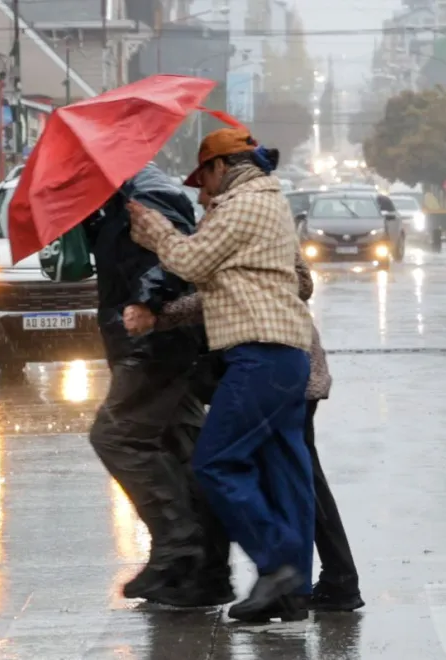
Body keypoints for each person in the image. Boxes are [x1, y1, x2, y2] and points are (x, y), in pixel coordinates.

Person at [127, 128, 316, 623]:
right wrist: (161, 315)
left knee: (216, 461)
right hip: (281, 353)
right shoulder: (264, 201)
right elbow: (221, 286)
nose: (201, 192)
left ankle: (277, 565)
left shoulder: (244, 204)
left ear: (220, 167)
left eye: (204, 178)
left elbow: (190, 260)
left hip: (261, 352)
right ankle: (292, 591)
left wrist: (153, 230)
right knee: (286, 471)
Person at [146, 244, 366, 612]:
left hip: (283, 367)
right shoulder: (235, 226)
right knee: (291, 476)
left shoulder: (249, 223)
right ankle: (314, 583)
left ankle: (328, 581)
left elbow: (300, 283)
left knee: (299, 478)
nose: (201, 194)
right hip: (278, 366)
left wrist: (168, 312)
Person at [83, 164, 231, 608]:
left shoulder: (144, 191)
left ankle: (178, 546)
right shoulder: (114, 198)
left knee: (116, 435)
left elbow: (172, 258)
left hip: (155, 343)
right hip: (150, 341)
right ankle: (204, 573)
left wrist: (147, 302)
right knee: (181, 447)